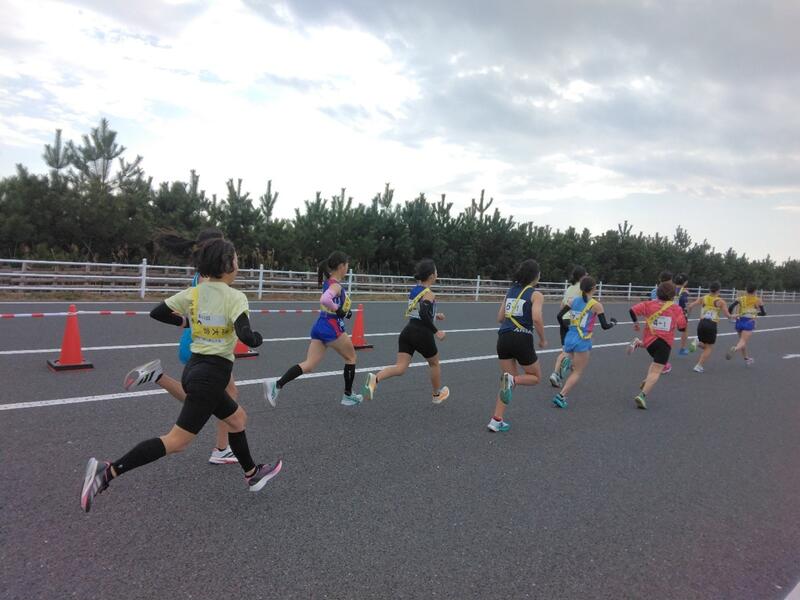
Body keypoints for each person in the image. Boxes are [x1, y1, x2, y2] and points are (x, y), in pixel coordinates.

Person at [80, 238, 282, 513]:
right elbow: (245, 333)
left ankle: (252, 473)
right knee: (177, 442)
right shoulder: (235, 297)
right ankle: (108, 471)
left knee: (237, 419)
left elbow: (158, 312)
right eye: (235, 259)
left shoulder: (194, 293)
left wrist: (185, 321)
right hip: (211, 376)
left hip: (195, 369)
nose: (238, 264)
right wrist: (256, 338)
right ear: (226, 264)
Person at [123, 228, 239, 465]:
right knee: (221, 398)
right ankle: (221, 448)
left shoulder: (202, 275)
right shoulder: (209, 279)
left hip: (193, 340)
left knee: (205, 399)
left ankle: (158, 376)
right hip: (205, 346)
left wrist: (185, 322)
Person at [263, 251, 363, 407]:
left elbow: (330, 302)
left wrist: (344, 311)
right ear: (341, 266)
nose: (347, 268)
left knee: (309, 364)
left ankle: (276, 385)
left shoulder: (329, 282)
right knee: (351, 358)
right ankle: (348, 395)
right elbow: (325, 299)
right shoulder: (336, 285)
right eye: (347, 265)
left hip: (320, 326)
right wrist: (338, 309)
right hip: (332, 328)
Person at [361, 259, 449, 404]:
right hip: (422, 333)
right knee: (434, 364)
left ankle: (375, 379)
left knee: (400, 368)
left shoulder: (415, 290)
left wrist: (435, 315)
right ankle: (436, 395)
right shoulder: (429, 294)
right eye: (436, 271)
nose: (437, 274)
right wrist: (436, 332)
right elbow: (423, 314)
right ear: (431, 275)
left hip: (408, 332)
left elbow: (419, 311)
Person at [486, 259, 547, 432]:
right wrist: (543, 339)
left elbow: (500, 318)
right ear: (535, 276)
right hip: (522, 338)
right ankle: (514, 379)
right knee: (535, 377)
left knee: (507, 381)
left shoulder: (510, 291)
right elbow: (536, 318)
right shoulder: (536, 294)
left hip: (503, 338)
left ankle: (496, 419)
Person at [551, 276, 616, 408]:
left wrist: (565, 326)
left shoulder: (573, 300)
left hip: (570, 335)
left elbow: (559, 315)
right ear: (593, 288)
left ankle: (565, 364)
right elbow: (604, 326)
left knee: (571, 360)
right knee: (577, 372)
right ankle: (561, 396)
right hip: (583, 340)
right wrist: (613, 323)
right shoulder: (596, 305)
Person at [627, 281, 687, 410]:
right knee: (657, 370)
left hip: (649, 342)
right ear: (673, 295)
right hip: (664, 344)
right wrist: (684, 316)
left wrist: (636, 323)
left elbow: (632, 310)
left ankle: (638, 345)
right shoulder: (676, 309)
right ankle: (642, 396)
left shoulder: (648, 304)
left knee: (655, 364)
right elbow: (682, 328)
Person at [549, 265, 587, 388]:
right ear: (582, 276)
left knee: (565, 349)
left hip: (563, 319)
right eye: (586, 275)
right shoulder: (583, 288)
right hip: (574, 321)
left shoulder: (569, 288)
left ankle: (555, 374)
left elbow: (562, 306)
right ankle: (569, 367)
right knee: (575, 350)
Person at [685, 281, 732, 373]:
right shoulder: (721, 302)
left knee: (705, 345)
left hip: (701, 323)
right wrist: (736, 315)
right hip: (711, 325)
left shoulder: (703, 298)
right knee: (709, 347)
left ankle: (697, 342)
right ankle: (698, 366)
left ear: (709, 289)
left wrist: (687, 316)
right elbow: (728, 316)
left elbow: (690, 306)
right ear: (718, 290)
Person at [726, 284, 766, 365]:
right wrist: (755, 313)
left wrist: (731, 315)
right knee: (743, 341)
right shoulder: (758, 300)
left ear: (746, 290)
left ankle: (746, 358)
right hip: (749, 322)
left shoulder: (741, 298)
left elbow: (730, 307)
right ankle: (735, 349)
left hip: (739, 321)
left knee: (742, 341)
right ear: (755, 291)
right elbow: (763, 313)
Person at [673, 273, 697, 356]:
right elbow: (684, 302)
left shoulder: (670, 288)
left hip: (670, 311)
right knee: (685, 330)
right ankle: (682, 349)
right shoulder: (684, 291)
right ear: (685, 282)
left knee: (667, 329)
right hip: (680, 313)